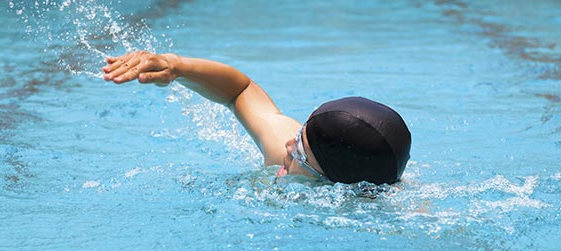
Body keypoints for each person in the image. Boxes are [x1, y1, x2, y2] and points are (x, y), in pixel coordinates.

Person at [102, 51, 411, 184]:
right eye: (300, 133)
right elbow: (241, 90)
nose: (289, 144)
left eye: (301, 151)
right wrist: (176, 66)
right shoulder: (286, 154)